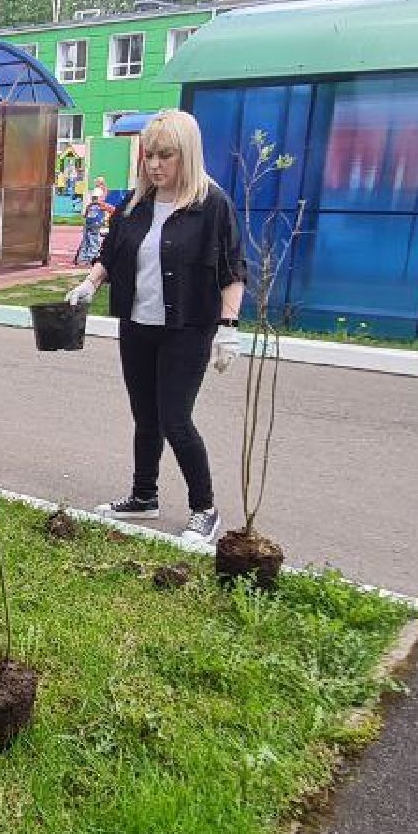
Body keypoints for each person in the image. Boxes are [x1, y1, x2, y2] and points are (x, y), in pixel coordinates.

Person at [62, 110, 245, 542]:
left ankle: (205, 508)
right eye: (150, 155)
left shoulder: (211, 204)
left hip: (187, 327)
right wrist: (90, 284)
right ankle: (144, 497)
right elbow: (111, 251)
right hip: (138, 323)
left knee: (175, 419)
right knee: (145, 417)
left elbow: (231, 269)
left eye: (167, 155)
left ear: (188, 155)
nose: (155, 164)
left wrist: (229, 326)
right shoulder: (135, 203)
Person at [75, 189, 110, 266]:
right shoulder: (101, 205)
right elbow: (107, 213)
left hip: (88, 223)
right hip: (96, 225)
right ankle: (92, 258)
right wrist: (105, 220)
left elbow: (85, 214)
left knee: (86, 241)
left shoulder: (90, 205)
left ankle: (82, 258)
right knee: (94, 241)